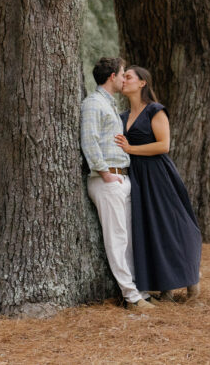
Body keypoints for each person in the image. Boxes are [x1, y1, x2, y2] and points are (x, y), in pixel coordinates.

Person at [115, 66, 202, 302]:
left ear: (142, 82)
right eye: (123, 77)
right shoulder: (122, 117)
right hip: (136, 178)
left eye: (129, 77)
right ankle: (165, 288)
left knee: (173, 225)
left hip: (158, 174)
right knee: (149, 229)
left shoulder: (155, 110)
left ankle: (191, 280)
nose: (124, 80)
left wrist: (130, 149)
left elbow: (164, 145)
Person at [80, 57, 155, 312]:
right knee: (117, 239)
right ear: (112, 76)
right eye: (123, 74)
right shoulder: (93, 104)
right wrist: (105, 173)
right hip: (108, 180)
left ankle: (140, 290)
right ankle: (131, 296)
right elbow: (89, 141)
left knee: (129, 239)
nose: (125, 79)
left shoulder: (110, 104)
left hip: (122, 178)